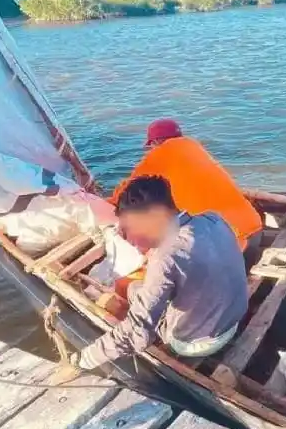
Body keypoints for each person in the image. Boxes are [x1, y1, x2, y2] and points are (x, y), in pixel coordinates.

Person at [78, 175, 247, 368]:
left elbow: (138, 334)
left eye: (129, 228)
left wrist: (84, 360)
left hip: (196, 344)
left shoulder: (165, 257)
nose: (130, 238)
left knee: (128, 287)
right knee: (143, 288)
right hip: (233, 322)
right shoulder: (213, 219)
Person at [109, 118, 263, 268]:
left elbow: (130, 188)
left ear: (155, 142)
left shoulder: (159, 154)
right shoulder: (195, 148)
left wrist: (111, 202)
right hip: (254, 229)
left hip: (230, 247)